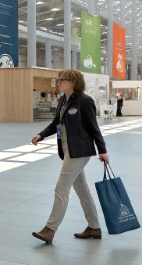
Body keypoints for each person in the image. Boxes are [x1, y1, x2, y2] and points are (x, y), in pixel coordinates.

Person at [30, 70, 108, 244]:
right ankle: (94, 228)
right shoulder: (63, 100)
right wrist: (41, 135)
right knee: (82, 191)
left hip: (79, 151)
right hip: (67, 150)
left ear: (73, 82)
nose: (59, 82)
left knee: (61, 188)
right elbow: (55, 123)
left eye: (62, 80)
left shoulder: (85, 101)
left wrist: (102, 150)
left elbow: (94, 128)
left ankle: (50, 230)